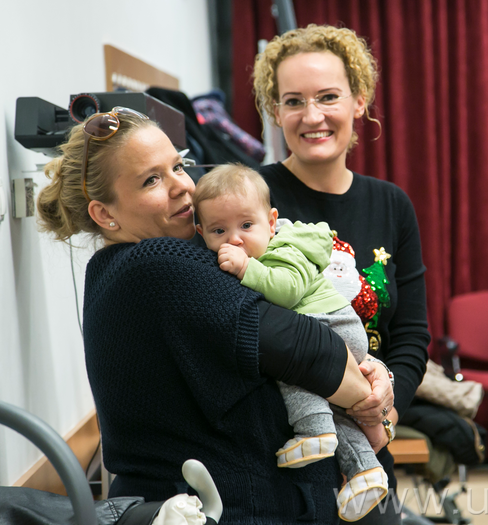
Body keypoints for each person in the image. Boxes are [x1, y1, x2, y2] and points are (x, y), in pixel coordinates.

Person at [35, 106, 387, 524]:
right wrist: (369, 396)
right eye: (151, 180)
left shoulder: (121, 268)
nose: (182, 186)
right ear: (104, 214)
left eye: (177, 166)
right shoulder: (158, 263)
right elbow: (315, 353)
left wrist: (374, 374)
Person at [253, 24, 431, 523]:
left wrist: (385, 408)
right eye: (294, 101)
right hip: (280, 457)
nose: (312, 116)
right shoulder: (248, 199)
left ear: (359, 101)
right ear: (276, 112)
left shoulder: (392, 204)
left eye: (328, 97)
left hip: (370, 452)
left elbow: (412, 334)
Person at [193, 163, 389, 521]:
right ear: (200, 233)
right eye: (219, 230)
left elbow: (287, 292)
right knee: (336, 408)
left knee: (287, 358)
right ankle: (365, 472)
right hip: (330, 334)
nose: (235, 240)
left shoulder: (286, 248)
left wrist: (245, 269)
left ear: (272, 222)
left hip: (332, 325)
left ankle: (314, 431)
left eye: (246, 226)